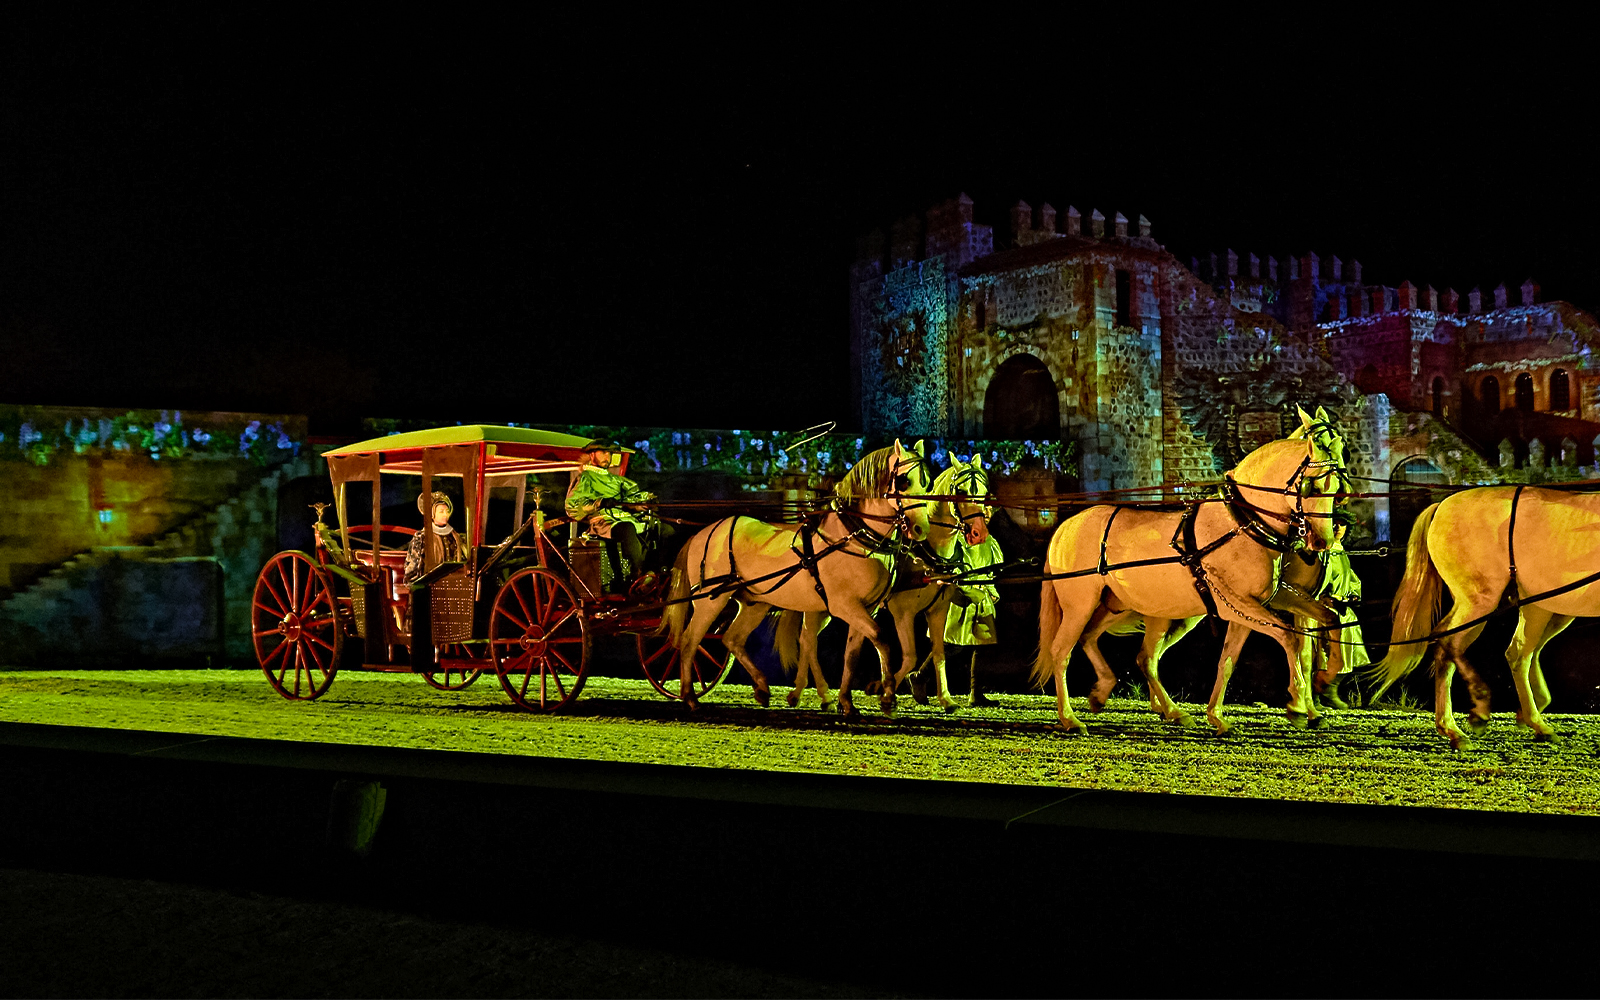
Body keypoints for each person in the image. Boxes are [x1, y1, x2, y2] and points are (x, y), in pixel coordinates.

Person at [565, 439, 671, 592]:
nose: (607, 456)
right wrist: (599, 502)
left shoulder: (614, 479)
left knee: (664, 529)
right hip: (601, 521)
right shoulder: (585, 478)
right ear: (592, 455)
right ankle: (636, 576)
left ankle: (658, 570)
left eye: (609, 453)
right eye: (603, 452)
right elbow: (572, 506)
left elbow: (631, 496)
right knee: (626, 528)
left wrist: (646, 501)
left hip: (624, 518)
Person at [945, 532, 1003, 707]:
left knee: (983, 645)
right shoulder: (958, 541)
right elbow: (953, 568)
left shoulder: (991, 541)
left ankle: (976, 693)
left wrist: (991, 592)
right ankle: (920, 677)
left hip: (982, 597)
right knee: (952, 646)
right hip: (963, 597)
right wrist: (964, 590)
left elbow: (992, 570)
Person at [404, 491, 463, 585]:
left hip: (453, 583)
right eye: (441, 512)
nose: (445, 514)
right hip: (430, 584)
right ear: (432, 514)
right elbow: (414, 568)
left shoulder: (455, 536)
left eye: (447, 511)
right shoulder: (422, 537)